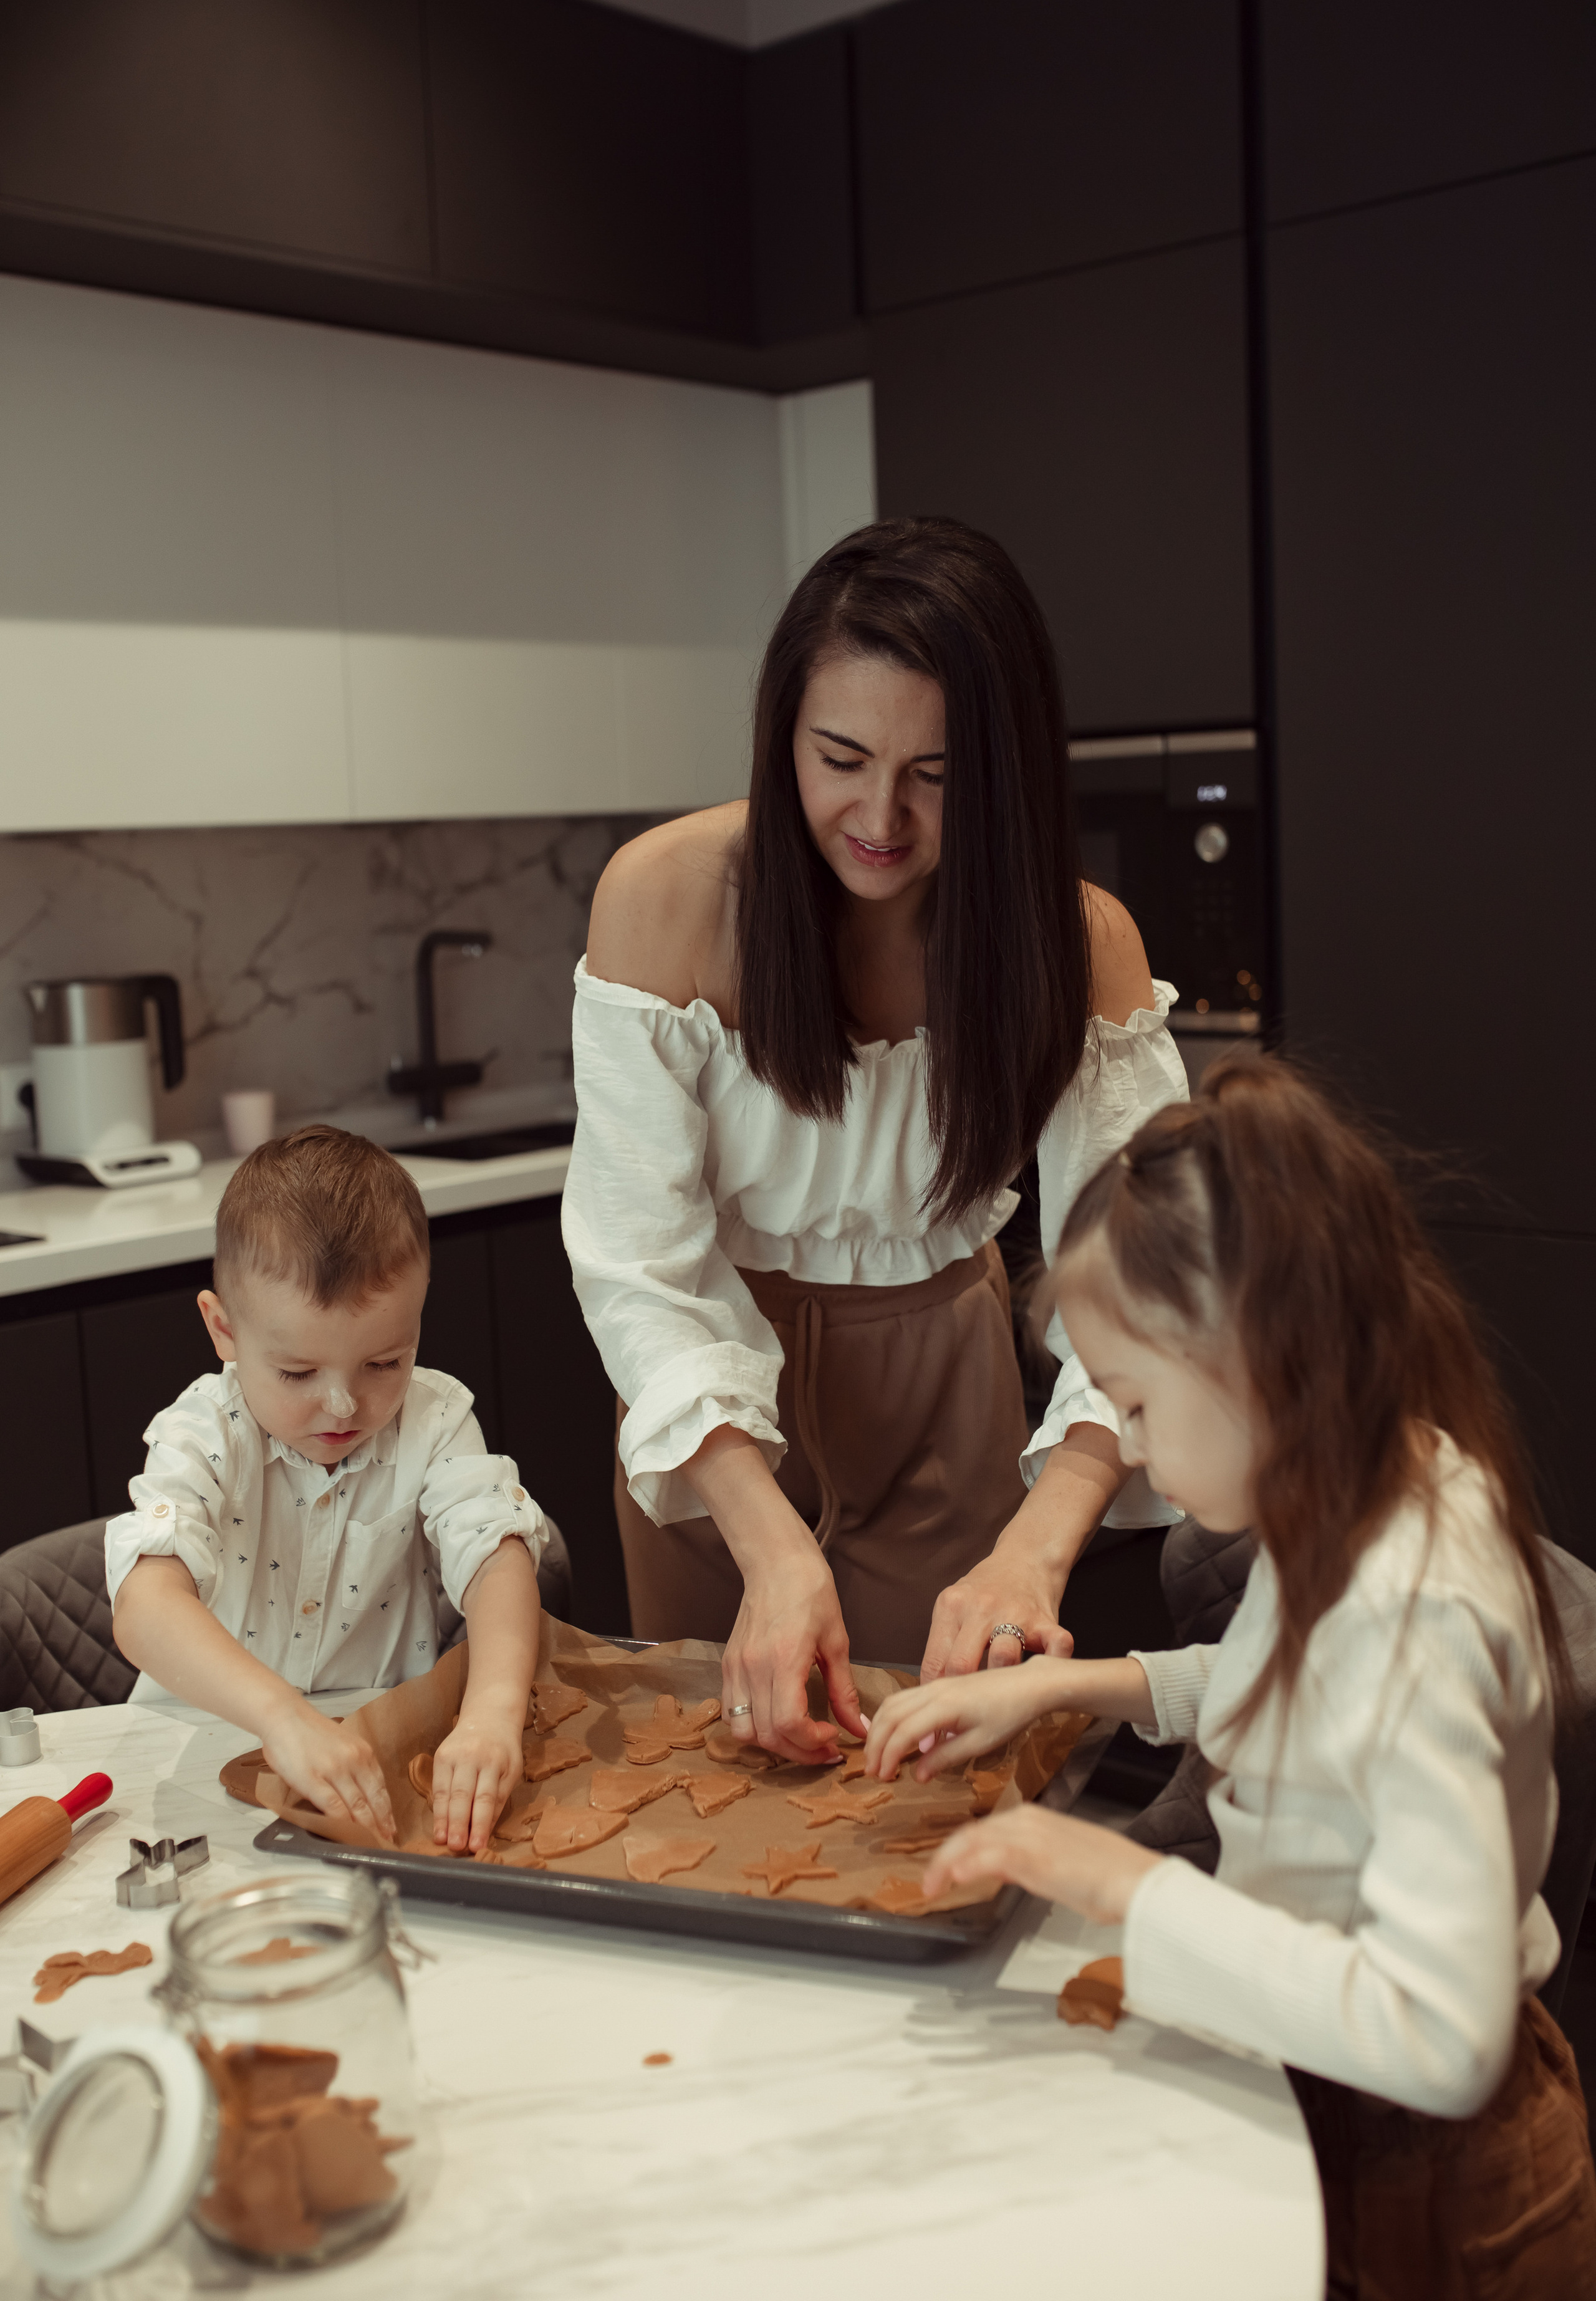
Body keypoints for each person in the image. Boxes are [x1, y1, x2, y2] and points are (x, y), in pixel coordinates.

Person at [864, 1057, 1596, 2298]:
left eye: (1138, 1407)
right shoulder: (1361, 1492)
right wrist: (1066, 1689)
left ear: (1262, 1352)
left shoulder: (1409, 1605)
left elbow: (1441, 2032)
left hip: (1431, 2182)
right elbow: (1291, 1700)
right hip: (1335, 2101)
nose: (1132, 1453)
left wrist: (1124, 1883)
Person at [563, 518, 1186, 1764]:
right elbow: (639, 1270)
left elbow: (1145, 1287)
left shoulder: (1074, 942)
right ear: (781, 731)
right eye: (839, 757)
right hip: (712, 1422)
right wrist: (768, 1541)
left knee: (919, 1795)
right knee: (710, 1784)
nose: (880, 816)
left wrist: (1033, 1543)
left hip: (945, 1410)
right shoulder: (665, 900)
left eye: (937, 774)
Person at [108, 1126, 548, 1856]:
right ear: (224, 1329)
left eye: (384, 1361)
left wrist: (494, 1713)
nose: (344, 1406)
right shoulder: (204, 1433)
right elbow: (143, 1606)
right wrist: (280, 1715)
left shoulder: (433, 1420)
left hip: (370, 1765)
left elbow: (496, 1555)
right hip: (195, 1771)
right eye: (297, 1374)